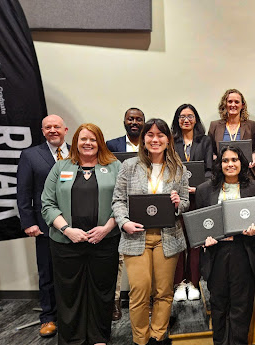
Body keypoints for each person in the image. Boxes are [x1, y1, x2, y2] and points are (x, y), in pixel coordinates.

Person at [41, 123, 121, 345]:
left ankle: (99, 337)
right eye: (83, 139)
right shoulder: (60, 167)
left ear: (100, 143)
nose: (88, 143)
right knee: (69, 294)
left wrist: (106, 228)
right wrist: (67, 230)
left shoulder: (115, 166)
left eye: (93, 139)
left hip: (104, 241)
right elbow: (47, 204)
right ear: (75, 142)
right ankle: (71, 339)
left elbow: (124, 202)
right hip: (66, 243)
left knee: (102, 292)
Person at [112, 118, 189, 345]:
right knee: (139, 292)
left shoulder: (178, 168)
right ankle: (140, 339)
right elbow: (117, 200)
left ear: (168, 140)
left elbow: (185, 202)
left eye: (160, 135)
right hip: (136, 236)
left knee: (164, 292)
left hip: (168, 237)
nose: (155, 140)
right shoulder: (129, 166)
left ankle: (157, 336)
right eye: (150, 135)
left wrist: (178, 203)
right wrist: (123, 222)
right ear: (144, 139)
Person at [196, 145, 255, 345]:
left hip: (242, 250)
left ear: (241, 163)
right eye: (225, 160)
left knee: (241, 305)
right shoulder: (204, 189)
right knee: (218, 304)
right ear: (219, 163)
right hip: (216, 252)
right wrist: (204, 239)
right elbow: (200, 223)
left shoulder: (254, 187)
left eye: (234, 160)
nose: (230, 164)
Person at [16, 114, 68, 338]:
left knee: (72, 273)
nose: (53, 130)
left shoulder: (77, 153)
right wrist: (28, 222)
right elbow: (23, 191)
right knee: (47, 273)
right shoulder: (30, 155)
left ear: (65, 130)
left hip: (76, 225)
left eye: (57, 126)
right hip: (45, 226)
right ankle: (48, 318)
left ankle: (70, 316)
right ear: (43, 131)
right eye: (48, 127)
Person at [106, 107, 146, 321]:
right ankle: (114, 302)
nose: (134, 122)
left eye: (138, 119)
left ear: (144, 122)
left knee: (142, 258)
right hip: (120, 206)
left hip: (145, 207)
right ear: (124, 121)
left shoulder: (150, 143)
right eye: (130, 119)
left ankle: (142, 300)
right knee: (119, 259)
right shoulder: (112, 146)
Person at [170, 104, 213, 302]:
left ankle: (194, 283)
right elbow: (168, 169)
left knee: (195, 241)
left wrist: (199, 188)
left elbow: (210, 169)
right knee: (179, 241)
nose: (186, 119)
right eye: (182, 116)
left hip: (198, 197)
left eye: (190, 116)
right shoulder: (171, 141)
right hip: (176, 200)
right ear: (177, 120)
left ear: (196, 119)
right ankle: (180, 283)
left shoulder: (205, 141)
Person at [208, 89, 255, 181]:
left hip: (247, 173)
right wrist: (217, 159)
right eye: (230, 102)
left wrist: (254, 157)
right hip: (222, 174)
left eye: (237, 102)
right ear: (225, 104)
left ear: (242, 105)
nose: (233, 105)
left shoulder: (251, 125)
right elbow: (209, 150)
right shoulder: (215, 126)